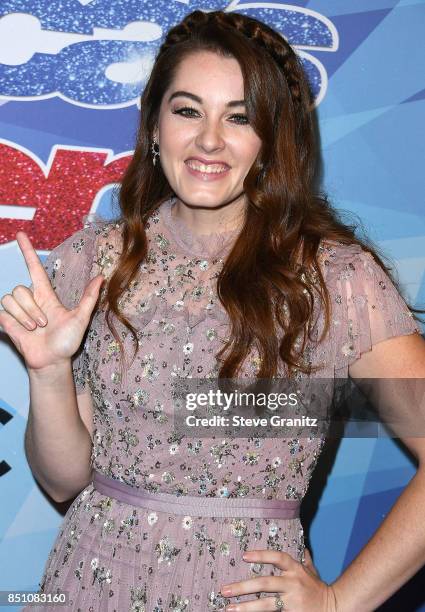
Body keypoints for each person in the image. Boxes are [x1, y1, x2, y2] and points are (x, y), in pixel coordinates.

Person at [1, 9, 424, 612]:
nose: (209, 141)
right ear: (154, 124)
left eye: (240, 117)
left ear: (273, 138)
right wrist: (48, 373)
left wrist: (339, 603)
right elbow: (65, 481)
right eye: (188, 110)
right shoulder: (96, 260)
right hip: (89, 583)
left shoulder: (333, 278)